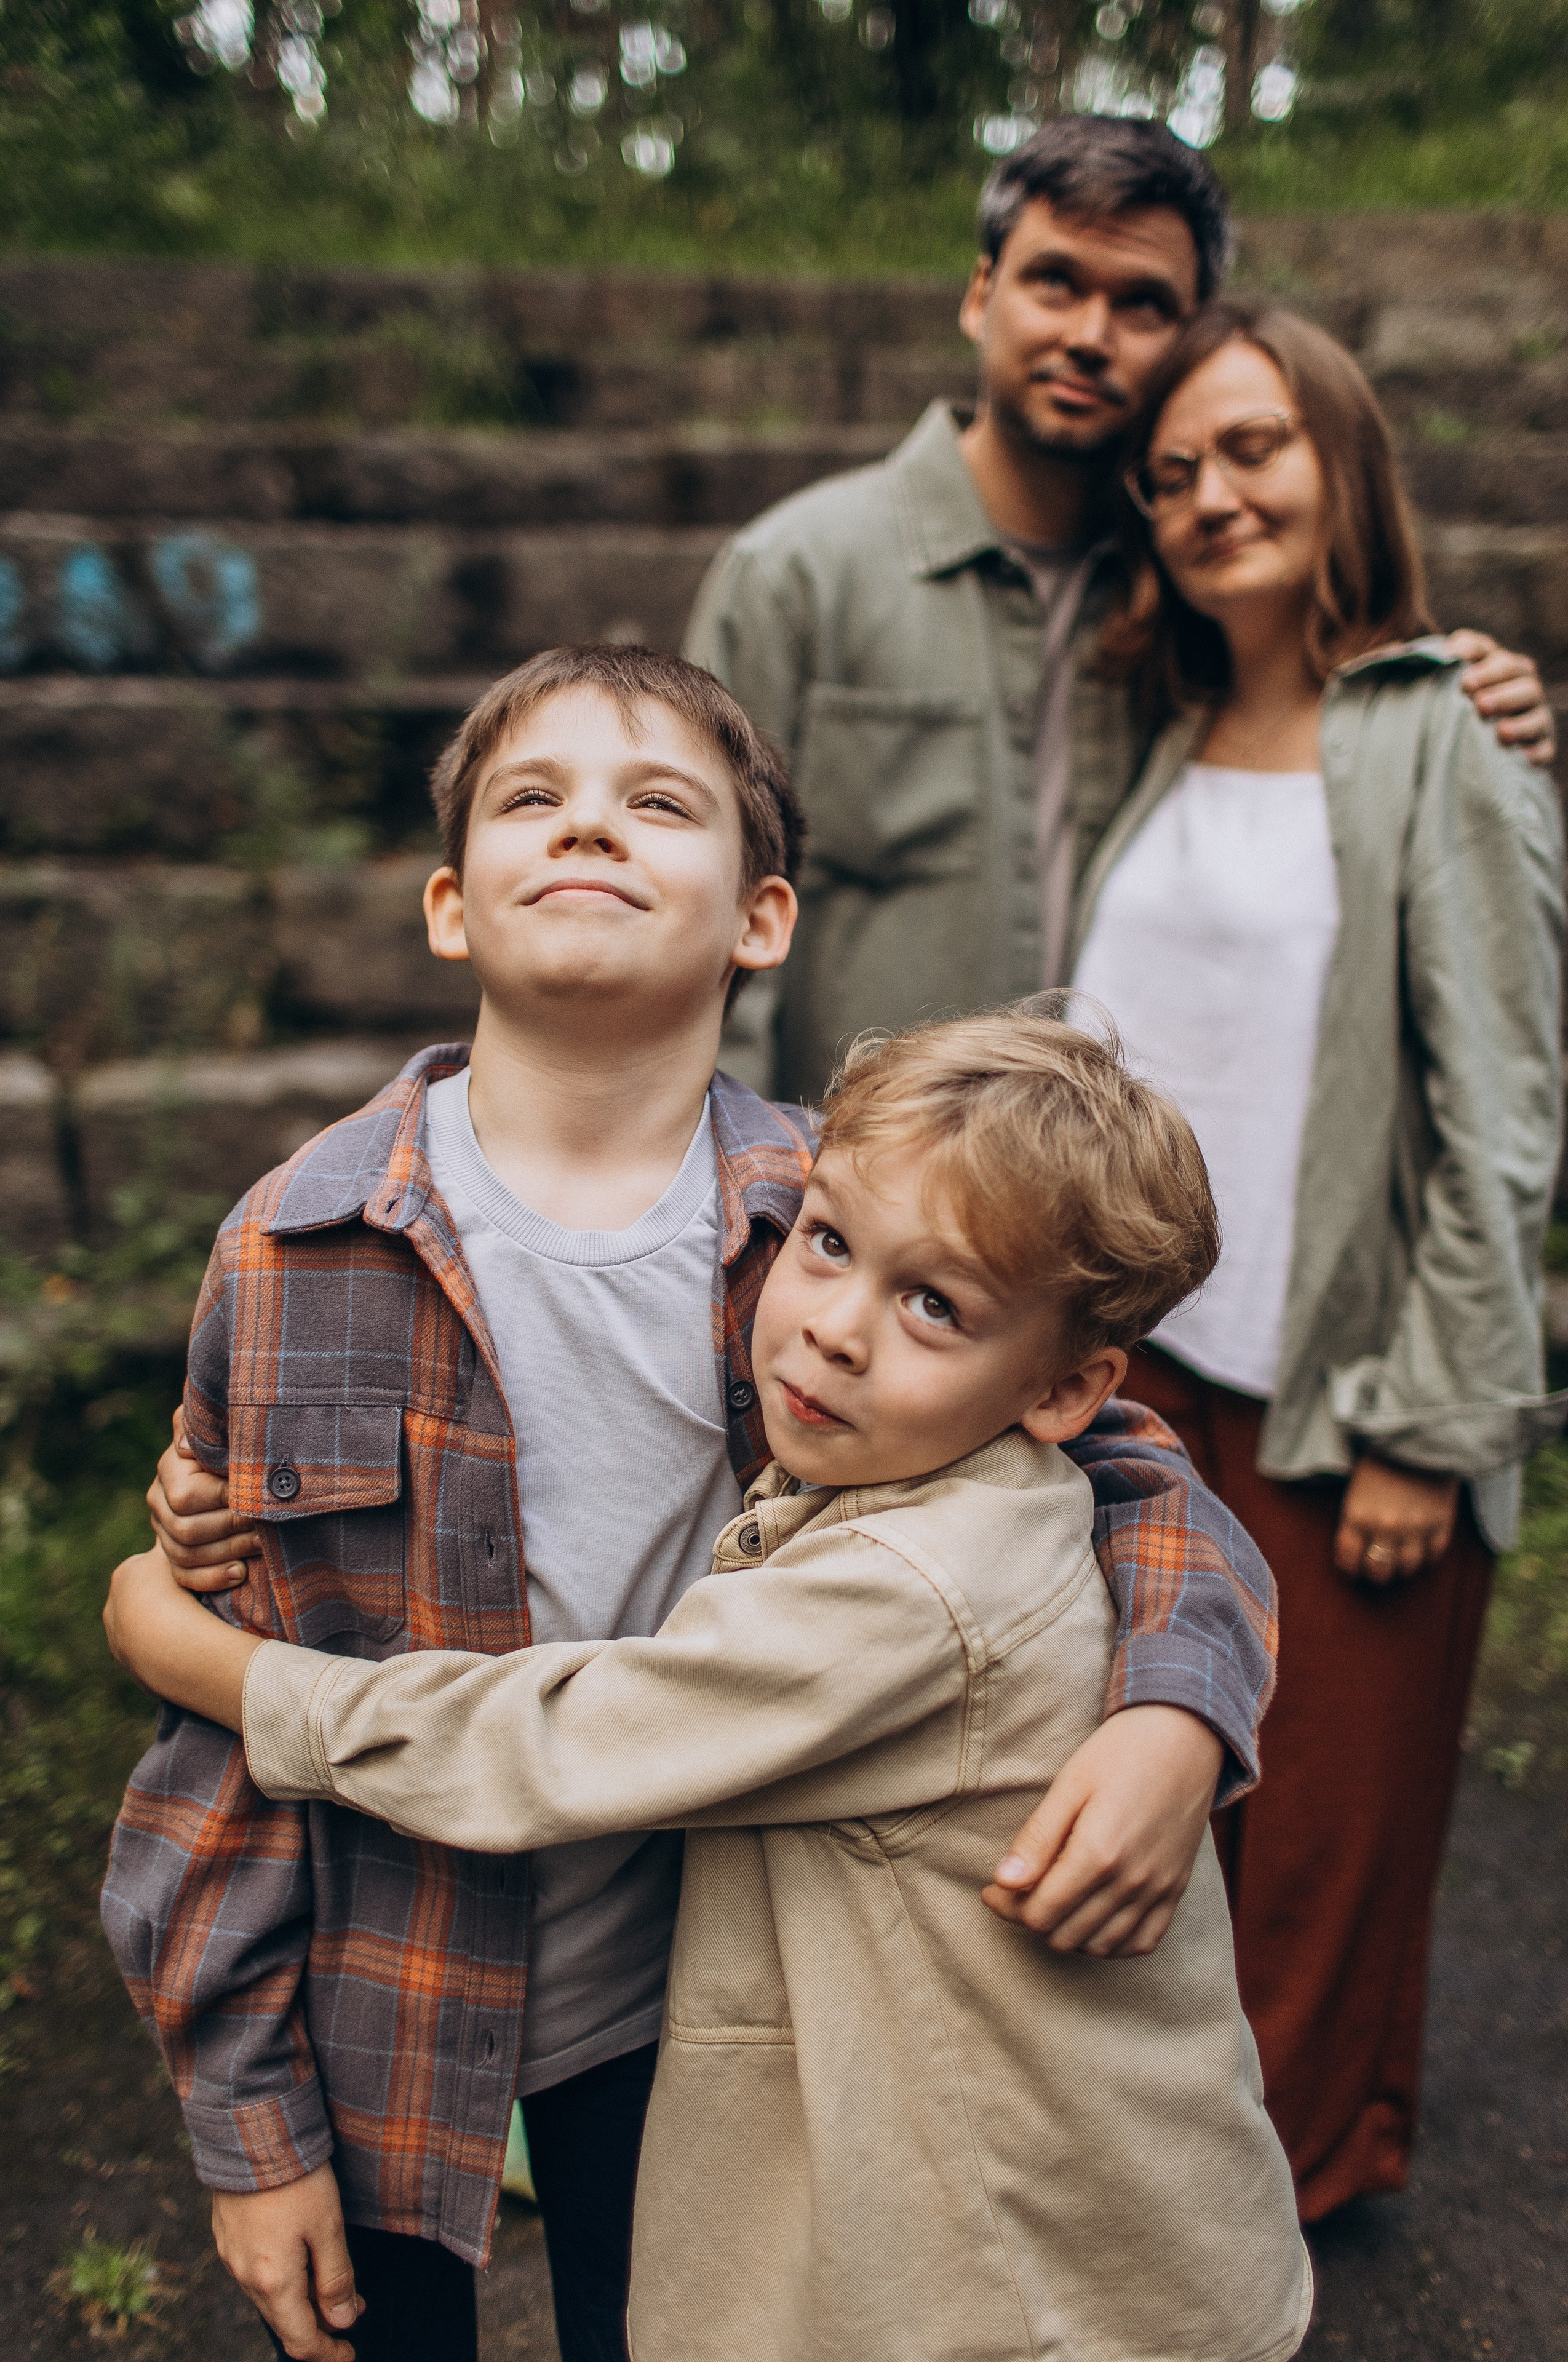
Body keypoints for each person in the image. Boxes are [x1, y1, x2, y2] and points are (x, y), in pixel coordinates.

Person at [103, 644, 1278, 2362]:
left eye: (659, 803)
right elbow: (219, 1727)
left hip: (711, 2011)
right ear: (449, 903)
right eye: (535, 798)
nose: (591, 827)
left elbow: (1127, 1466)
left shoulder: (843, 1223)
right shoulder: (297, 1246)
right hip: (391, 2007)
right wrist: (246, 2114)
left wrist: (1181, 1707)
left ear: (764, 918)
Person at [1068, 298, 1564, 2221]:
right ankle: (1163, 2209)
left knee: (1323, 1865)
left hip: (1345, 1394)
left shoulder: (1443, 730)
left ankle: (1256, 2237)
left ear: (1343, 461)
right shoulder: (1169, 724)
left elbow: (1505, 1115)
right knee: (1161, 1829)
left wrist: (1436, 1427)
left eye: (1254, 447)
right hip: (1147, 1387)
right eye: (1174, 469)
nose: (1210, 493)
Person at [683, 112, 1558, 1105]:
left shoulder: (1202, 594)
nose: (1089, 336)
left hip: (1112, 1210)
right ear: (982, 295)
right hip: (852, 1206)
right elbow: (709, 945)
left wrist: (1471, 691)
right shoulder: (795, 575)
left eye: (1143, 304)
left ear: (1191, 340)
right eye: (1055, 281)